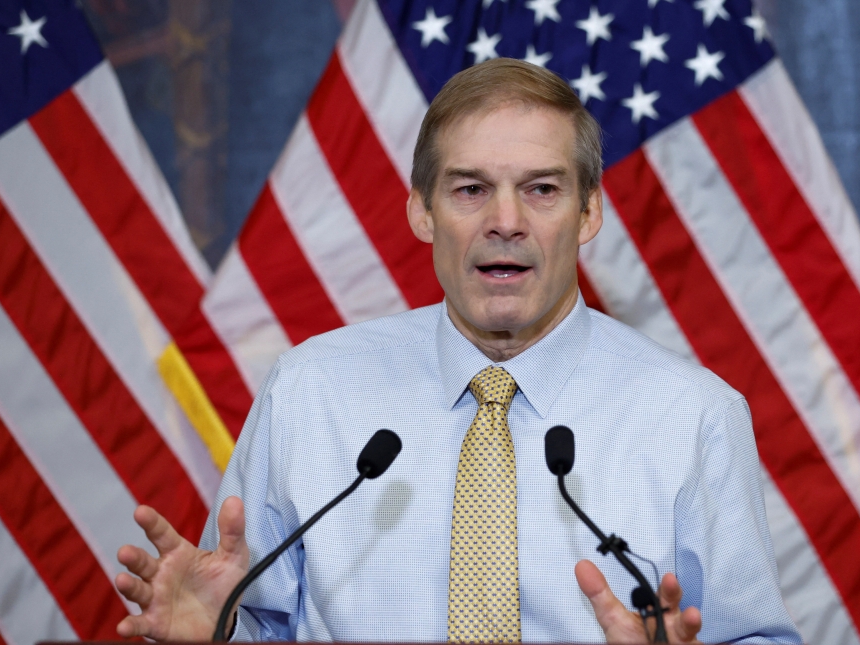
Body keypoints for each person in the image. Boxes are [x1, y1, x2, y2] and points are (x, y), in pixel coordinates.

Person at [114, 58, 802, 644]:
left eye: (542, 189)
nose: (506, 222)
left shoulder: (695, 414)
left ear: (589, 211)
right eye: (471, 189)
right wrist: (224, 630)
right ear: (422, 210)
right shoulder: (309, 389)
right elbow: (260, 621)